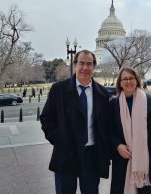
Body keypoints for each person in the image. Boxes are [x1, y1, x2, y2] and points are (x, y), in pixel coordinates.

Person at [40, 49, 110, 194]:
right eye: (81, 63)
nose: (85, 68)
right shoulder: (58, 89)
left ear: (94, 67)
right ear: (75, 64)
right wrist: (59, 138)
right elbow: (47, 118)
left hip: (91, 156)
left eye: (89, 64)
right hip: (66, 154)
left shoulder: (102, 93)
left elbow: (105, 126)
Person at [109, 67, 151, 194]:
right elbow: (107, 131)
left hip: (147, 163)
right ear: (120, 83)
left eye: (131, 78)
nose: (128, 81)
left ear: (137, 80)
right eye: (125, 79)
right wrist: (117, 145)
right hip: (122, 161)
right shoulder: (113, 104)